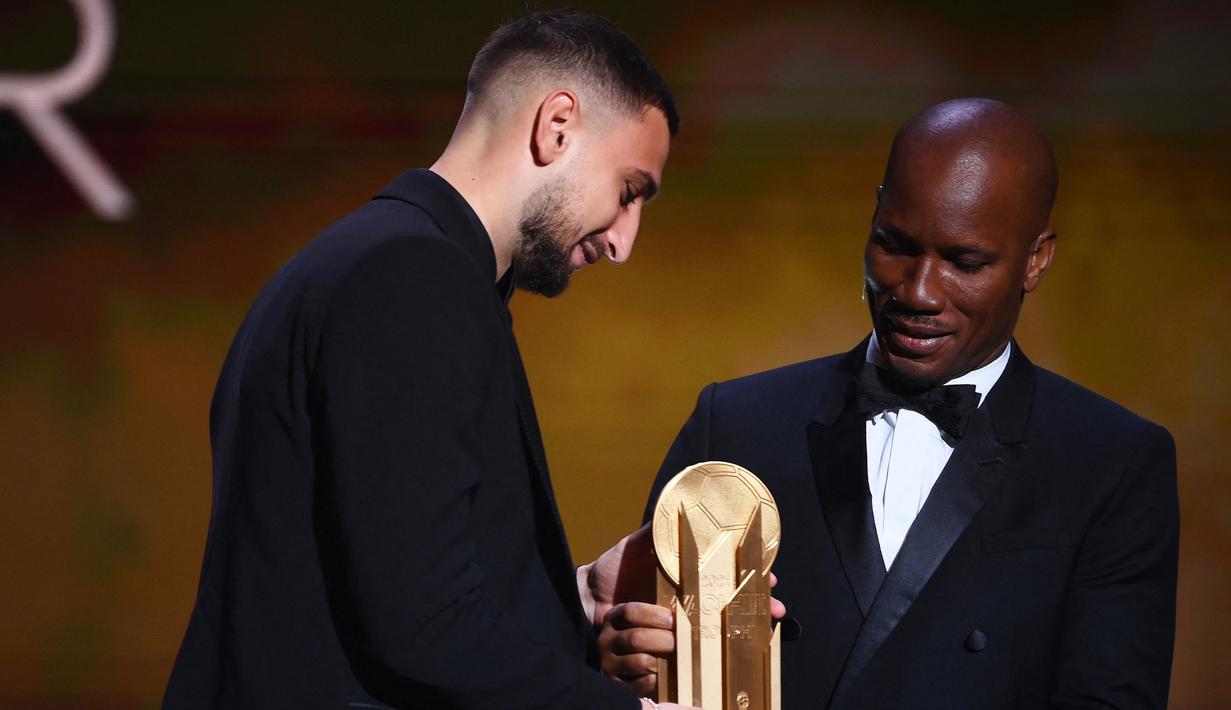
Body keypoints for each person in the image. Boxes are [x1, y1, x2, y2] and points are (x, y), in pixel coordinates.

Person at [164, 10, 697, 710]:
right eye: (629, 191)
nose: (625, 241)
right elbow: (422, 626)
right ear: (557, 125)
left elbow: (364, 573)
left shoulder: (371, 261)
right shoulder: (411, 278)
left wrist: (574, 598)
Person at [600, 98, 1179, 709]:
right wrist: (614, 665)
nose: (919, 291)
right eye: (896, 245)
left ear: (1036, 259)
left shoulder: (1113, 461)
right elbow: (639, 655)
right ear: (874, 217)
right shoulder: (735, 424)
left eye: (964, 262)